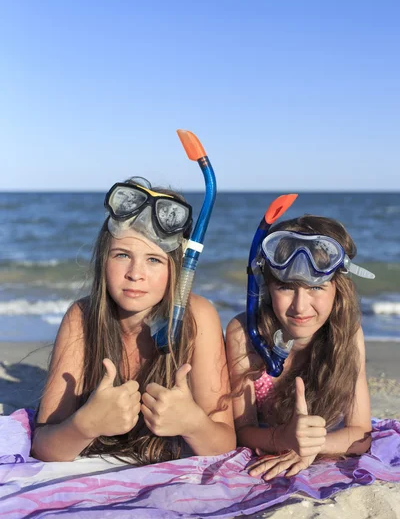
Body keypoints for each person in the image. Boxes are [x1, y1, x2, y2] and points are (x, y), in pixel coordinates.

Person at [32, 177, 235, 464]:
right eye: (122, 255)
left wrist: (195, 425)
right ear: (103, 259)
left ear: (177, 268)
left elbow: (225, 442)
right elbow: (44, 446)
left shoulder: (197, 317)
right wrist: (84, 425)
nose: (135, 273)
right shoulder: (82, 318)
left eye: (154, 259)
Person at [226, 213, 373, 481]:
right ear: (266, 287)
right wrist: (283, 438)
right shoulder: (245, 336)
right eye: (286, 287)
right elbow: (241, 430)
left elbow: (360, 434)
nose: (300, 306)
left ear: (338, 288)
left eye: (316, 287)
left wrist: (312, 445)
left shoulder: (348, 336)